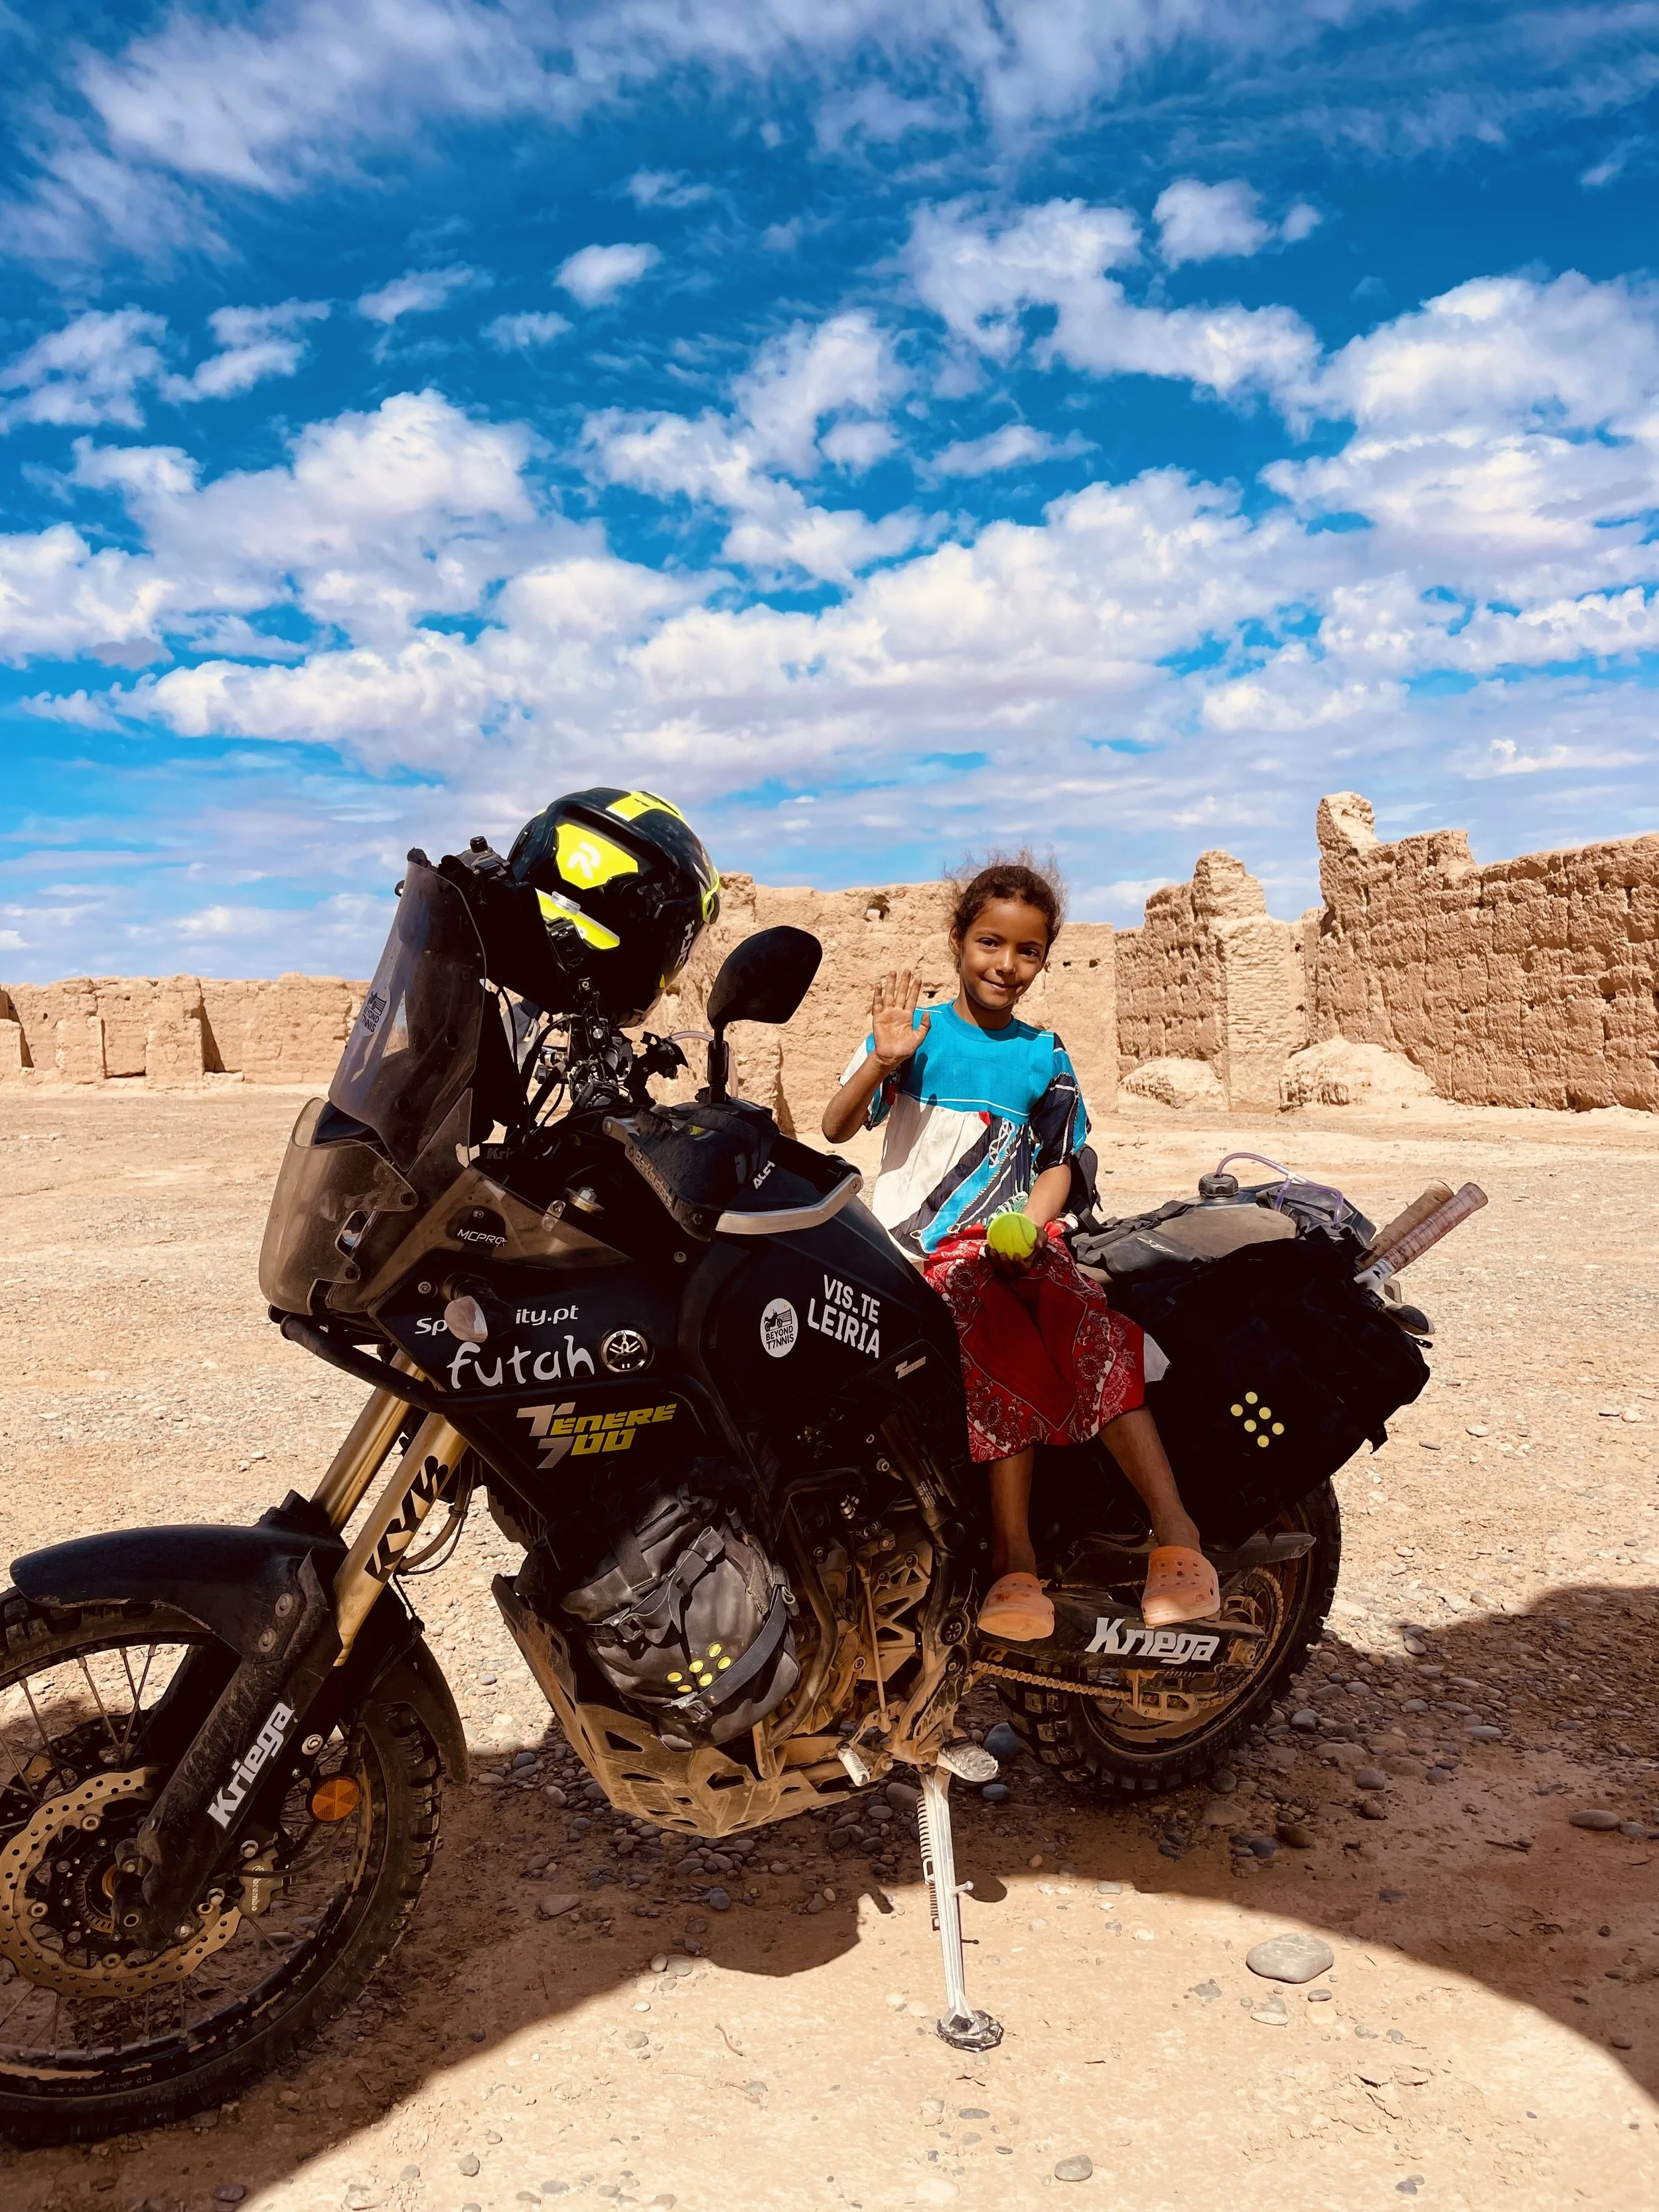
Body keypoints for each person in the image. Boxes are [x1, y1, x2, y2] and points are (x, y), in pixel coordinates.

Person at [820, 855, 1219, 1643]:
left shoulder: (1045, 1055)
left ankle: (1177, 1533)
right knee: (995, 1340)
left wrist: (1033, 1226)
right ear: (957, 942)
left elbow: (1058, 1164)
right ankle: (1014, 1557)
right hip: (919, 1250)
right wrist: (883, 1060)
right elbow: (835, 1126)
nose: (1006, 965)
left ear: (1044, 958)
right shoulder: (916, 1035)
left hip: (1013, 1240)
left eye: (1027, 951)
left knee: (1091, 1328)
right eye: (990, 944)